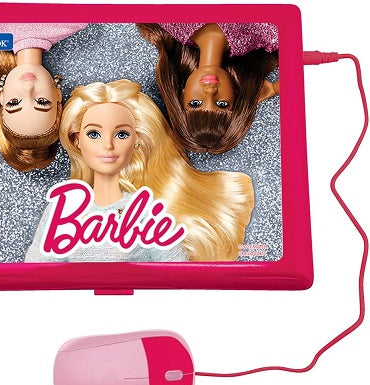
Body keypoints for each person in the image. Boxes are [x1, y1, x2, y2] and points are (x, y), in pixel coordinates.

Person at [25, 79, 254, 262]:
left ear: (136, 141)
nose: (108, 145)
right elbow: (36, 271)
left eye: (121, 134)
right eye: (94, 134)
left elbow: (176, 273)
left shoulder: (146, 212)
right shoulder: (65, 207)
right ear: (76, 139)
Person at [0, 22, 87, 171]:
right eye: (41, 101)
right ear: (58, 94)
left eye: (14, 103)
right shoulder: (74, 21)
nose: (28, 88)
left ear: (2, 96)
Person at [137, 23, 279, 154]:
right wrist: (271, 89)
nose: (210, 91)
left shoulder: (169, 22)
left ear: (182, 96)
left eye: (195, 103)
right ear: (235, 95)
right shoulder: (270, 37)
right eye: (222, 104)